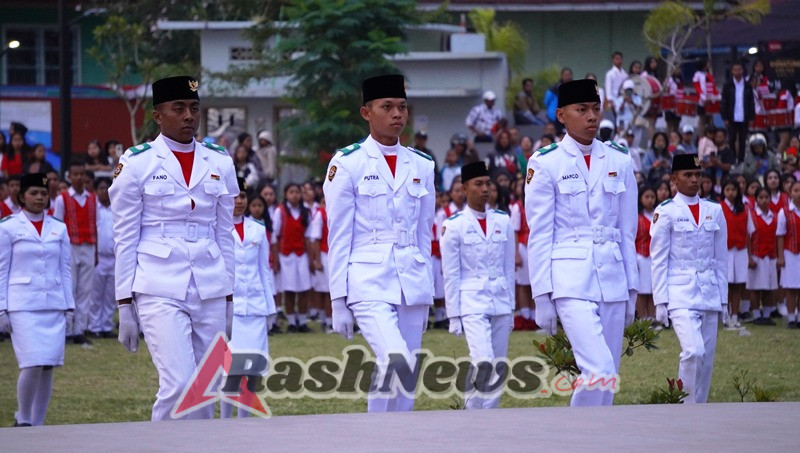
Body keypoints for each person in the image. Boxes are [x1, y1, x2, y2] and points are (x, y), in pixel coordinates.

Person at [110, 75, 239, 421]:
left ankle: (198, 445)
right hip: (159, 284)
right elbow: (125, 236)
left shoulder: (219, 160)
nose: (188, 116)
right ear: (158, 115)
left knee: (206, 385)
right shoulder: (137, 162)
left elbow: (225, 234)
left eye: (194, 108)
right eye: (178, 108)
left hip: (210, 283)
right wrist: (124, 303)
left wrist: (229, 296)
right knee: (180, 384)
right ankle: (163, 443)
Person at [323, 74, 435, 412]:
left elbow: (424, 233)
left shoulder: (422, 164)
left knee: (407, 376)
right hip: (368, 279)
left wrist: (427, 291)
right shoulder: (348, 163)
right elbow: (338, 236)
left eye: (402, 107)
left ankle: (398, 436)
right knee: (395, 359)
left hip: (411, 279)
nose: (397, 114)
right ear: (366, 112)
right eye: (387, 107)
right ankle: (374, 434)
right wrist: (338, 300)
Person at [525, 78, 638, 407]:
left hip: (613, 276)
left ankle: (597, 433)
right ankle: (576, 433)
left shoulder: (619, 160)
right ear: (561, 115)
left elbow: (627, 231)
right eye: (582, 109)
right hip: (570, 279)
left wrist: (632, 288)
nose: (592, 116)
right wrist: (541, 295)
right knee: (598, 368)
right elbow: (540, 233)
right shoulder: (545, 162)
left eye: (596, 109)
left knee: (609, 376)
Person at [650, 153, 728, 404]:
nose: (694, 180)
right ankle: (684, 405)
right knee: (694, 351)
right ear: (674, 179)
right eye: (688, 175)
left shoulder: (714, 210)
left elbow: (721, 259)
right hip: (680, 293)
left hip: (709, 292)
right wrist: (660, 301)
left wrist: (724, 299)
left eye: (698, 174)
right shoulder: (666, 212)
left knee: (706, 359)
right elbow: (659, 260)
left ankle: (699, 408)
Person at [0, 173, 75, 426]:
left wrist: (69, 305)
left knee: (47, 366)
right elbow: (1, 270)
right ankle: (23, 418)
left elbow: (65, 269)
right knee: (32, 363)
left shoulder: (58, 227)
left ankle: (38, 422)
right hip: (22, 305)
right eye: (33, 193)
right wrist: (1, 309)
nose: (39, 198)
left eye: (43, 193)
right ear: (22, 196)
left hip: (53, 303)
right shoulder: (8, 227)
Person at [441, 161, 514, 409]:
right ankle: (472, 411)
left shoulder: (503, 220)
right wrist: (453, 315)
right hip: (471, 302)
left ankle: (489, 416)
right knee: (483, 360)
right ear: (464, 188)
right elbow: (451, 274)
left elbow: (508, 268)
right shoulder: (454, 225)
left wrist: (511, 307)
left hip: (500, 299)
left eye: (487, 184)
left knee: (498, 365)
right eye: (478, 184)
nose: (485, 189)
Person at [220, 178, 276, 418]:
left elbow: (264, 271)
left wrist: (270, 308)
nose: (239, 201)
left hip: (255, 307)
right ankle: (225, 420)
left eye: (242, 196)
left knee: (252, 369)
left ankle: (245, 420)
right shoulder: (218, 228)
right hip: (229, 309)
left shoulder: (258, 229)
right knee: (230, 370)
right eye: (234, 197)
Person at [53, 159, 97, 345]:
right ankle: (66, 330)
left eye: (81, 174)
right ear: (69, 176)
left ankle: (79, 330)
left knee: (85, 290)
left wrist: (96, 252)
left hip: (89, 246)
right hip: (69, 247)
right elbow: (56, 226)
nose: (79, 178)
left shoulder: (92, 198)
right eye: (75, 174)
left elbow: (96, 224)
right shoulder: (62, 198)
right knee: (69, 289)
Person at [433, 177, 467, 328]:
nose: (459, 194)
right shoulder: (444, 213)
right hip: (451, 254)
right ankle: (451, 315)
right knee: (450, 284)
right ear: (451, 193)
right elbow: (441, 238)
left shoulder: (469, 211)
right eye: (456, 191)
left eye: (462, 190)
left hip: (466, 254)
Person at [87, 177, 116, 338]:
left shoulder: (117, 208)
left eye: (107, 188)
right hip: (98, 257)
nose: (105, 191)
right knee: (96, 295)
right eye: (101, 188)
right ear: (96, 191)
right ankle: (94, 326)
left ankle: (106, 326)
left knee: (110, 295)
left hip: (115, 257)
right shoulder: (93, 208)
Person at [720, 178, 749, 330]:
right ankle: (725, 317)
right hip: (724, 252)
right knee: (726, 285)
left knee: (738, 285)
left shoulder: (744, 208)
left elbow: (749, 232)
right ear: (723, 191)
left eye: (733, 190)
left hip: (740, 251)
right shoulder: (719, 208)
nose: (731, 193)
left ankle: (735, 316)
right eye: (728, 190)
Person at [721, 62, 756, 164]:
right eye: (735, 70)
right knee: (731, 139)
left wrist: (751, 117)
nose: (737, 72)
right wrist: (725, 117)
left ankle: (741, 160)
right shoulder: (727, 85)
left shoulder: (747, 85)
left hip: (744, 117)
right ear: (732, 71)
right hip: (731, 117)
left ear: (742, 71)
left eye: (739, 70)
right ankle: (732, 160)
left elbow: (751, 102)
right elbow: (724, 102)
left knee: (742, 140)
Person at [777, 181, 800, 327]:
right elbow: (780, 236)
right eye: (796, 190)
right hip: (790, 253)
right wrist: (780, 257)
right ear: (790, 193)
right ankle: (791, 318)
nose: (799, 193)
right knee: (791, 288)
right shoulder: (784, 212)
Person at [636, 186, 657, 322]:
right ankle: (642, 318)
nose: (650, 200)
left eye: (652, 197)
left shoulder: (659, 215)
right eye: (647, 197)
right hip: (640, 257)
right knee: (642, 290)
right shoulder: (637, 217)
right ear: (641, 199)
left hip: (655, 257)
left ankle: (653, 318)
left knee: (653, 290)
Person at [545, 68, 573, 134]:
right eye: (565, 75)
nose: (567, 77)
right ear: (562, 76)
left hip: (570, 115)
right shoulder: (553, 89)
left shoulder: (574, 87)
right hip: (556, 116)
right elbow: (546, 102)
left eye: (569, 75)